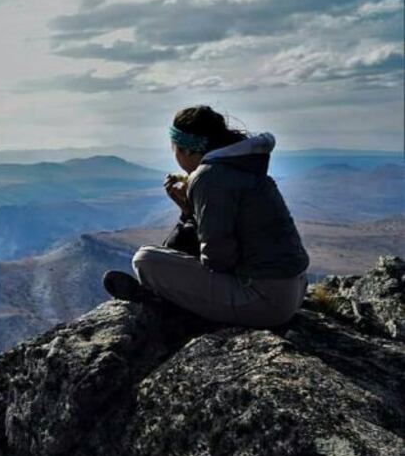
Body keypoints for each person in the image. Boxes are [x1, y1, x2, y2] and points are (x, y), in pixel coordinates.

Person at [102, 105, 310, 328]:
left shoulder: (209, 177)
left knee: (145, 260)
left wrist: (192, 217)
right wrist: (189, 213)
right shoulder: (242, 167)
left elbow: (218, 259)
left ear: (187, 150)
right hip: (293, 292)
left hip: (262, 301)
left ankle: (162, 303)